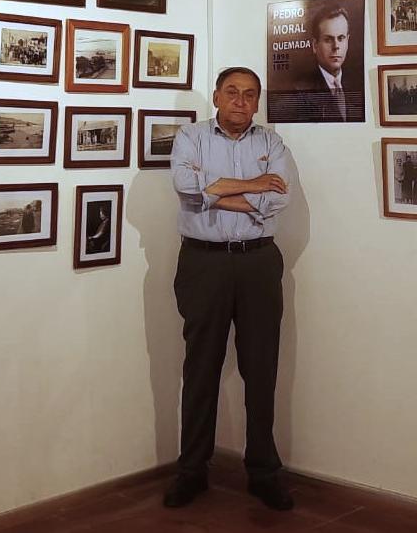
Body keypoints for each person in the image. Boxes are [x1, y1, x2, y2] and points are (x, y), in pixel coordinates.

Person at [164, 66, 293, 512]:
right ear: (217, 96)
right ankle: (191, 471)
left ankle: (263, 472)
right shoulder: (190, 137)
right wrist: (252, 187)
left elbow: (277, 199)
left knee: (262, 367)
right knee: (201, 368)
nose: (241, 100)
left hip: (259, 262)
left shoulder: (271, 142)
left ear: (257, 103)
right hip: (204, 262)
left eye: (250, 94)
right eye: (233, 92)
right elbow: (186, 188)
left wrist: (215, 190)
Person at [289, 6, 363, 123]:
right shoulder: (300, 92)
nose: (336, 47)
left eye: (341, 38)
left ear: (348, 41)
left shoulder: (357, 84)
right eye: (328, 39)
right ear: (315, 45)